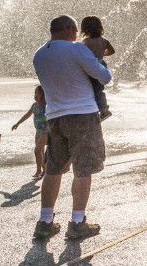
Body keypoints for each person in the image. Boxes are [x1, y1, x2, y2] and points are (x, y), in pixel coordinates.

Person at [32, 15, 112, 241]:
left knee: (53, 168)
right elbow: (104, 77)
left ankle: (44, 221)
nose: (77, 35)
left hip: (54, 117)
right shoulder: (76, 50)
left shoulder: (39, 54)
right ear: (68, 29)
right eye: (75, 31)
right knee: (83, 169)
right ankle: (77, 222)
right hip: (82, 116)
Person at [80, 16, 115, 120]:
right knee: (99, 89)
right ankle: (102, 108)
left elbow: (82, 55)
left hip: (91, 67)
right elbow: (112, 51)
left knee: (91, 89)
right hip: (101, 65)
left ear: (85, 29)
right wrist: (101, 53)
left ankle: (102, 110)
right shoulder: (104, 41)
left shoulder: (86, 42)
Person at [12, 85, 50, 178]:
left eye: (38, 93)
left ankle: (38, 171)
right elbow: (27, 115)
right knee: (40, 151)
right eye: (35, 93)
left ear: (44, 94)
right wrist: (17, 123)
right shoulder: (34, 105)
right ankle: (44, 170)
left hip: (45, 131)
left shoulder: (47, 105)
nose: (35, 95)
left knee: (37, 150)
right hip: (38, 131)